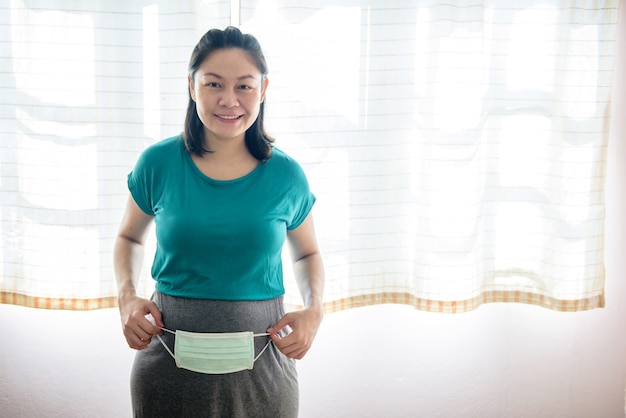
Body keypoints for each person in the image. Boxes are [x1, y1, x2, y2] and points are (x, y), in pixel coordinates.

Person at [113, 26, 324, 417]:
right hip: (166, 364)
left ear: (263, 90)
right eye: (214, 84)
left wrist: (315, 310)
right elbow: (129, 237)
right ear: (192, 87)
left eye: (244, 86)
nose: (229, 100)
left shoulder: (287, 176)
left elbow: (307, 252)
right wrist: (126, 297)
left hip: (264, 368)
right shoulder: (157, 164)